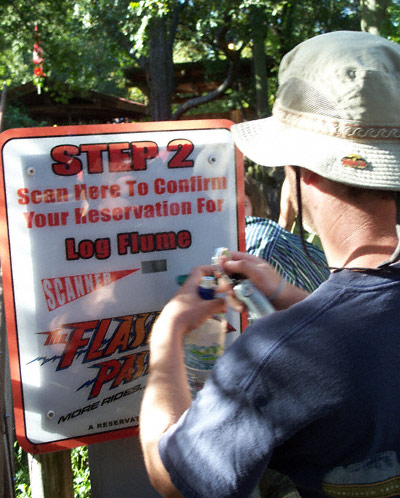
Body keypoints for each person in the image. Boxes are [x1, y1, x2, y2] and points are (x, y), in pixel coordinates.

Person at [140, 30, 400, 497]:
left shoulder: (275, 357)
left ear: (307, 174)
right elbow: (369, 332)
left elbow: (175, 479)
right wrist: (286, 297)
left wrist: (167, 337)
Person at [244, 174, 329, 292]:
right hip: (314, 251)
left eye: (243, 206)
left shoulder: (295, 179)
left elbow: (285, 223)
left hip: (301, 252)